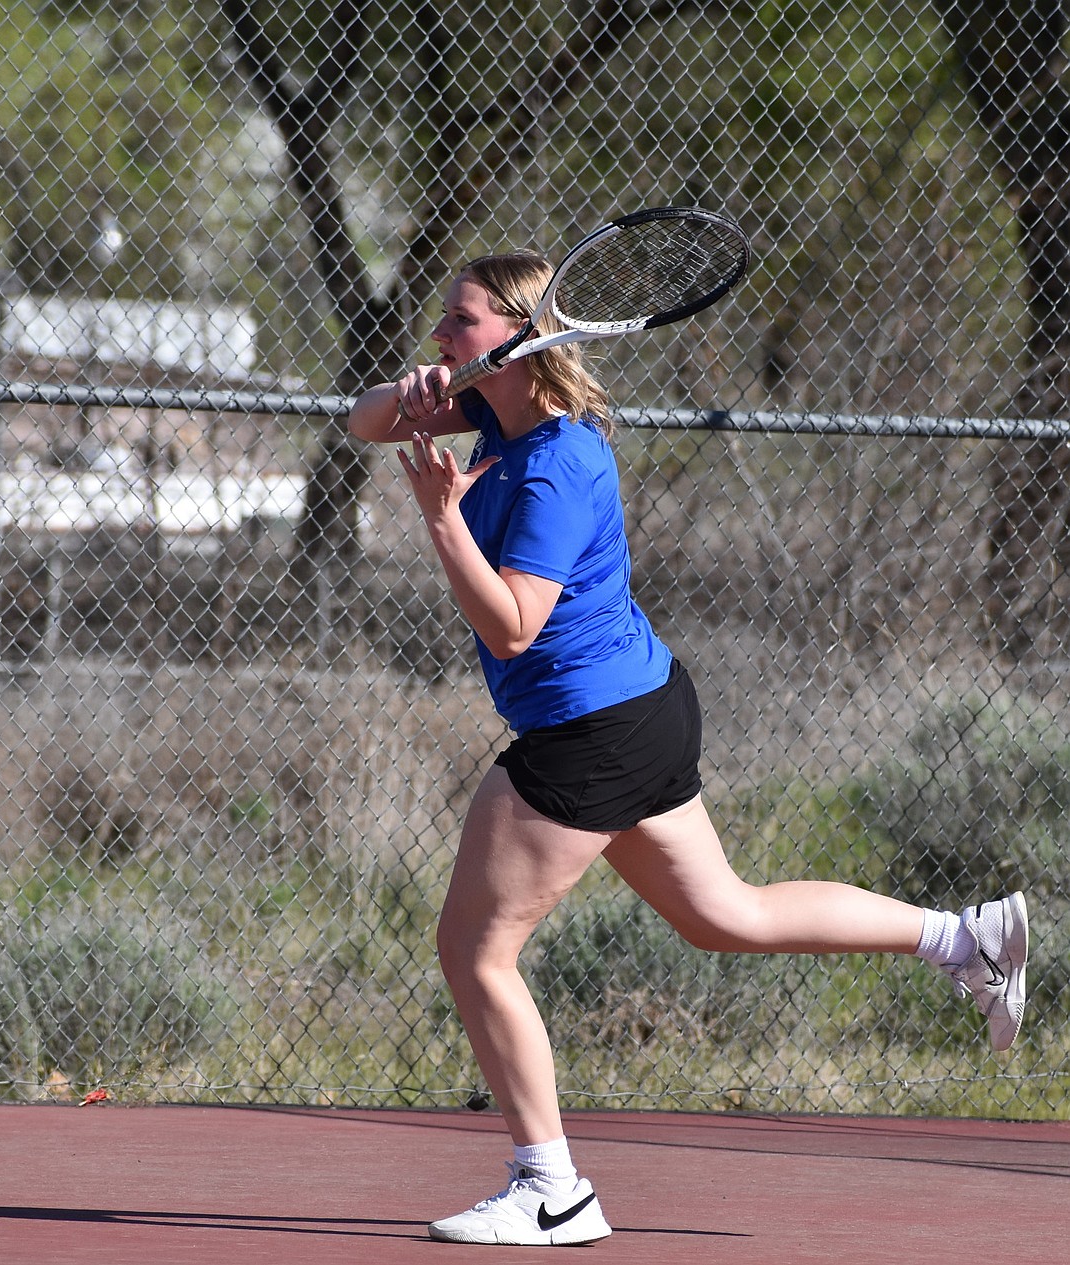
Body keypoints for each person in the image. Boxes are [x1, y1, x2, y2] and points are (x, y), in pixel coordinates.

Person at [347, 248, 1029, 1248]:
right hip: (638, 707)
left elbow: (512, 629)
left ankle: (552, 1188)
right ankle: (965, 938)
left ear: (522, 339)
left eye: (462, 321)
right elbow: (361, 421)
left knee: (475, 948)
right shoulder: (495, 413)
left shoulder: (558, 463)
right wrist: (411, 391)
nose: (442, 334)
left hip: (596, 729)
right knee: (727, 913)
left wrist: (444, 524)